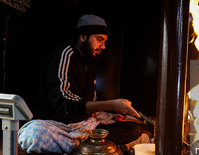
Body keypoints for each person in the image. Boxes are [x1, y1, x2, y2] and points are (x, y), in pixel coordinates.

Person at [30, 14, 152, 148]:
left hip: (83, 127)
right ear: (82, 36)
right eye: (99, 39)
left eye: (104, 41)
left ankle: (85, 144)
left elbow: (90, 104)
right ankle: (90, 145)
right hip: (58, 125)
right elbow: (66, 107)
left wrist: (95, 121)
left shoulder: (90, 63)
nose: (103, 46)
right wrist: (111, 105)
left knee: (134, 128)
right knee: (36, 134)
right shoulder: (65, 55)